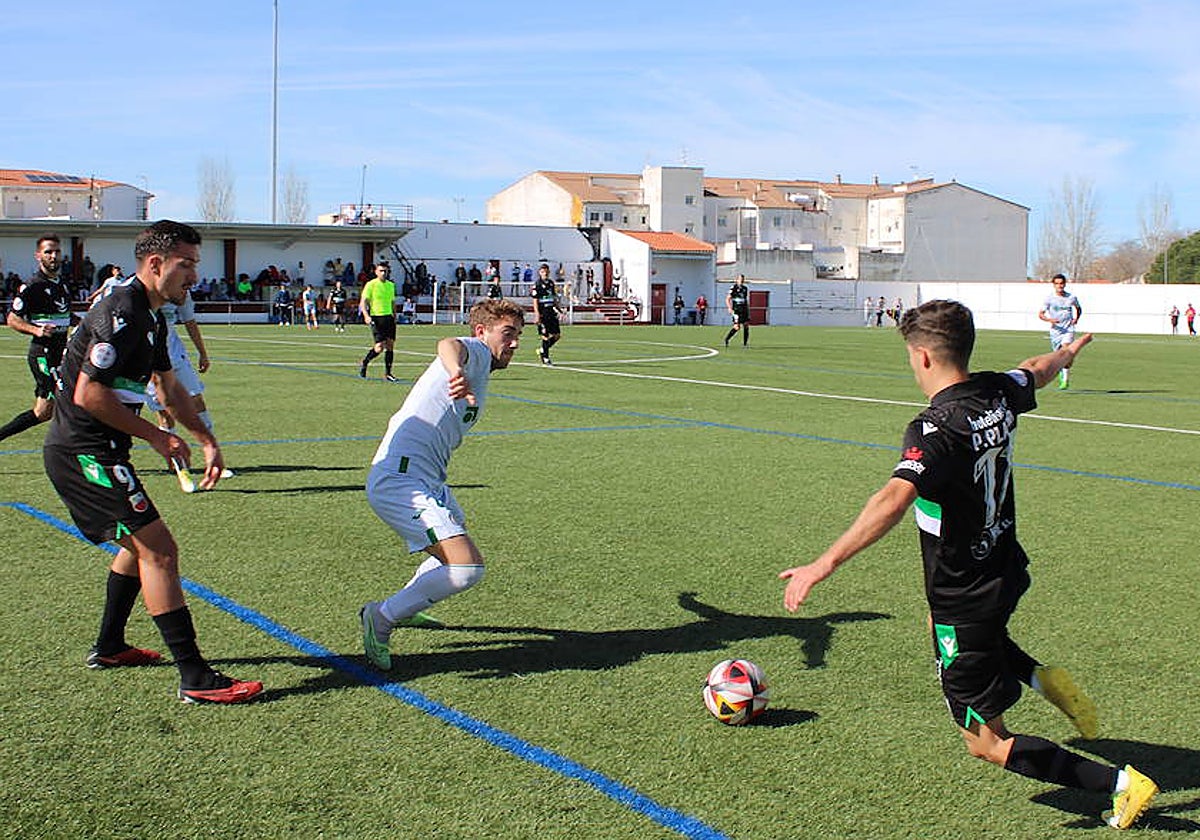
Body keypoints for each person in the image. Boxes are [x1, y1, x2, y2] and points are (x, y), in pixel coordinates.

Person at [778, 299, 1157, 830]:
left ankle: (1120, 785)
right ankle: (1041, 678)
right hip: (1005, 564)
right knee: (948, 626)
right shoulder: (996, 392)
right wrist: (1067, 353)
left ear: (923, 357)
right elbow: (1036, 369)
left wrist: (823, 563)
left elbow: (893, 498)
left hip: (964, 589)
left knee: (985, 742)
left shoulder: (936, 428)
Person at [42, 220, 261, 704]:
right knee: (159, 551)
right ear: (156, 263)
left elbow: (169, 388)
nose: (194, 276)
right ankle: (195, 677)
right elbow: (88, 394)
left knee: (136, 545)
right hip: (82, 453)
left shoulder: (153, 317)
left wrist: (206, 439)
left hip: (102, 450)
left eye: (196, 265)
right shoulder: (120, 311)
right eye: (187, 265)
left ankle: (109, 646)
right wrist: (158, 437)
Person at [359, 299, 525, 670]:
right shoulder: (476, 352)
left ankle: (406, 606)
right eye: (508, 333)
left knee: (451, 545)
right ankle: (381, 617)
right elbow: (449, 344)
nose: (514, 343)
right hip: (402, 481)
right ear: (481, 332)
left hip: (427, 479)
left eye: (518, 335)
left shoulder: (481, 366)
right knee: (466, 568)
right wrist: (455, 370)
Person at [142, 288, 235, 480]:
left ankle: (214, 459)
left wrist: (202, 353)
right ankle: (177, 463)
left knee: (197, 400)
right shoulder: (140, 291)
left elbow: (189, 321)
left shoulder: (181, 291)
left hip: (176, 356)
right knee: (164, 412)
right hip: (148, 359)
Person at [0, 234, 75, 443]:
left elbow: (65, 316)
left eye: (57, 251)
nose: (53, 256)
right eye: (48, 252)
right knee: (72, 401)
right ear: (38, 256)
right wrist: (36, 330)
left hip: (61, 354)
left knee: (43, 412)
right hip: (43, 354)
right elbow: (12, 319)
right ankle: (74, 452)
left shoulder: (62, 284)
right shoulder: (32, 286)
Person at [1038, 273, 1082, 389]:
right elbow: (1041, 314)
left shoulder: (1071, 297)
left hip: (1068, 329)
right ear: (1054, 285)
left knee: (1066, 351)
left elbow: (1078, 308)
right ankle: (1062, 372)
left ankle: (1065, 380)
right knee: (1058, 356)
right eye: (1057, 284)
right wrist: (1050, 320)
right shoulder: (1049, 299)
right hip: (1056, 331)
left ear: (1065, 284)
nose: (1059, 286)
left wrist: (1076, 319)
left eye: (1061, 283)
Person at [359, 262, 398, 381]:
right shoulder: (371, 285)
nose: (383, 273)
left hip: (389, 318)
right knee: (379, 347)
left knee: (390, 345)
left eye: (385, 271)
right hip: (376, 318)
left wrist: (394, 315)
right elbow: (363, 302)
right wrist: (366, 315)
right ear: (376, 272)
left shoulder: (391, 285)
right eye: (381, 271)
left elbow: (392, 302)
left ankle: (388, 373)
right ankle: (365, 361)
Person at [532, 263, 562, 365]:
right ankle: (545, 358)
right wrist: (537, 314)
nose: (545, 273)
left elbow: (554, 298)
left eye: (546, 272)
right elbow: (535, 300)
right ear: (539, 273)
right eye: (542, 272)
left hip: (551, 312)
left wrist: (559, 310)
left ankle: (543, 350)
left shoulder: (551, 283)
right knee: (545, 335)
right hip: (543, 313)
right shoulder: (537, 284)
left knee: (557, 335)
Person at [723, 275, 750, 347]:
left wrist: (747, 308)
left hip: (744, 309)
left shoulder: (745, 288)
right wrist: (729, 308)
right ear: (737, 280)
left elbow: (745, 299)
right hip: (736, 310)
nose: (742, 281)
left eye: (743, 279)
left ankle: (745, 344)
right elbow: (727, 299)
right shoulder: (733, 288)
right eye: (740, 279)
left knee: (746, 325)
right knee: (737, 327)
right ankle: (727, 339)